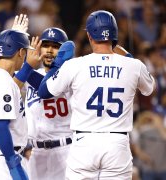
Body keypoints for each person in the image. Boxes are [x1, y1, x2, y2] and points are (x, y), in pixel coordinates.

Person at [38, 10, 156, 179]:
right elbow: (149, 89)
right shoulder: (134, 65)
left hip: (84, 142)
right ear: (114, 36)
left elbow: (44, 92)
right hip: (117, 143)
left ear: (89, 36)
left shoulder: (75, 65)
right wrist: (129, 57)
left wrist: (57, 65)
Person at [0, 15, 39, 178]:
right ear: (20, 52)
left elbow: (5, 68)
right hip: (2, 157)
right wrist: (12, 163)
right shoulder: (4, 82)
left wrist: (14, 34)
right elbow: (1, 126)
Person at [24, 27, 74, 180]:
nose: (49, 51)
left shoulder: (70, 75)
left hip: (66, 150)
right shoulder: (30, 75)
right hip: (37, 152)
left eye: (55, 46)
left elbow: (46, 88)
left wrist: (25, 67)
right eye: (46, 45)